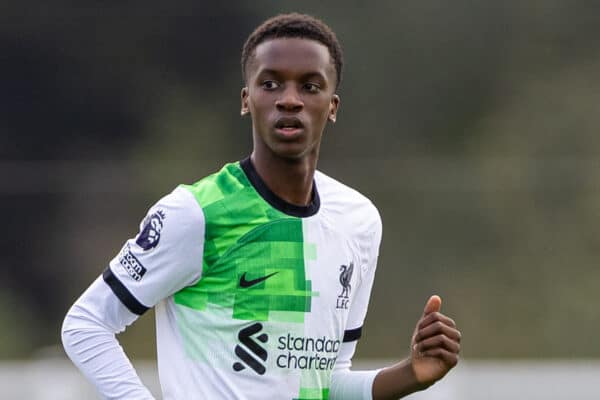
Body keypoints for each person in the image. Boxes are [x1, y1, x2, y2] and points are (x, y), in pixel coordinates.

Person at [62, 13, 461, 400]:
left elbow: (325, 385)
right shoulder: (196, 213)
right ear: (246, 99)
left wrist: (411, 374)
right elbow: (86, 323)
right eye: (270, 84)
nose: (289, 100)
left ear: (333, 106)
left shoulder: (358, 221)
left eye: (309, 86)